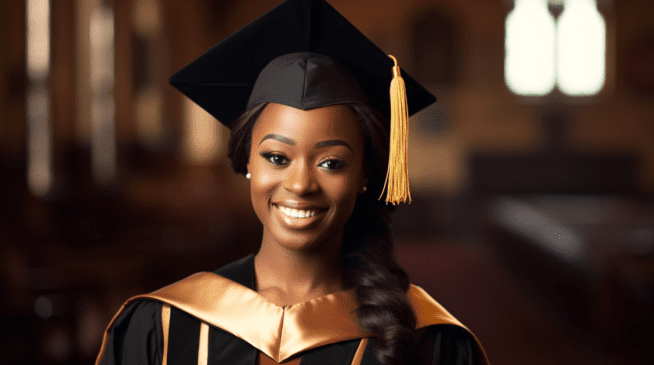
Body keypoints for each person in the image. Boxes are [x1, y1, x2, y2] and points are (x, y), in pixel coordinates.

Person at [95, 0, 489, 364]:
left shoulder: (429, 339)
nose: (300, 184)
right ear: (247, 159)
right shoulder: (161, 325)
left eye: (331, 162)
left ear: (364, 175)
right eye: (277, 157)